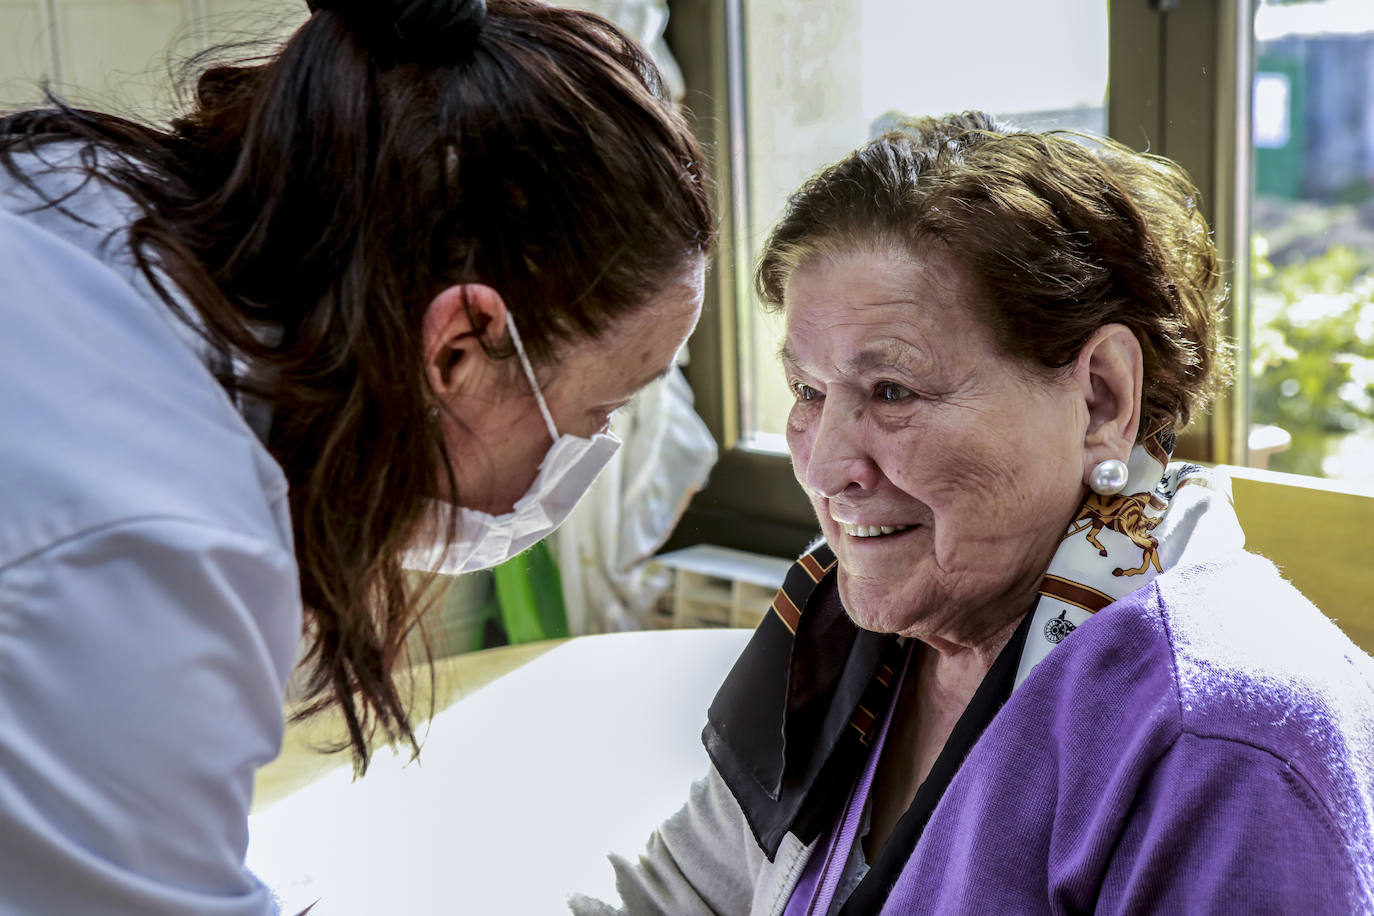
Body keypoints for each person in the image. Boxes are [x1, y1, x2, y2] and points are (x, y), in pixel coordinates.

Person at [0, 0, 713, 911]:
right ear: (459, 345)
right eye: (600, 408)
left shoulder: (87, 194)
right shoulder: (150, 548)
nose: (591, 453)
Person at [571, 112, 1374, 914]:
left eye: (893, 392)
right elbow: (674, 900)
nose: (822, 467)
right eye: (810, 392)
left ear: (1102, 398)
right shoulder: (848, 632)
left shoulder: (1227, 745)